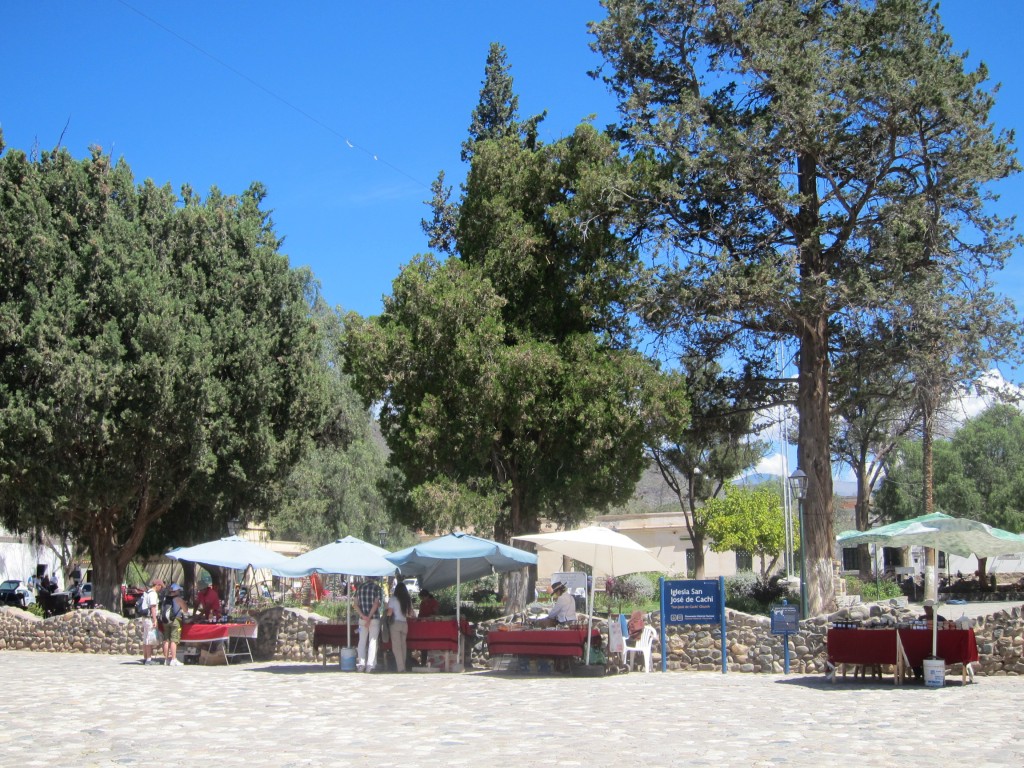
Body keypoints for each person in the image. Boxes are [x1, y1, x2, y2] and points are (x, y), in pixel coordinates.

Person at [355, 577, 383, 673]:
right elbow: (376, 604)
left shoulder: (360, 588)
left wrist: (363, 616)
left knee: (361, 641)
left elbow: (355, 604)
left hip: (362, 620)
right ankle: (370, 665)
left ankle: (361, 663)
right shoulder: (377, 588)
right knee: (373, 641)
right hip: (374, 619)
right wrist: (369, 617)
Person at [387, 580, 415, 672]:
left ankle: (401, 668)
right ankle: (403, 666)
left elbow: (389, 613)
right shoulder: (407, 599)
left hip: (395, 624)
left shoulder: (393, 599)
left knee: (396, 647)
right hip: (404, 624)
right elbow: (410, 613)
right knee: (403, 646)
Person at [161, 583, 188, 666]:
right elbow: (185, 610)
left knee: (166, 640)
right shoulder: (178, 599)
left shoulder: (165, 599)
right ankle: (173, 659)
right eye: (179, 590)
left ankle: (166, 660)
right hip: (175, 620)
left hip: (165, 621)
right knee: (174, 640)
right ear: (176, 591)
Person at [139, 578, 163, 665]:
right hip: (149, 618)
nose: (161, 588)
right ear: (157, 585)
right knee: (149, 639)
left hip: (145, 618)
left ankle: (145, 658)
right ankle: (149, 659)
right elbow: (153, 607)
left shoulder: (147, 592)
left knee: (145, 639)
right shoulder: (153, 594)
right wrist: (155, 619)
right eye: (161, 586)